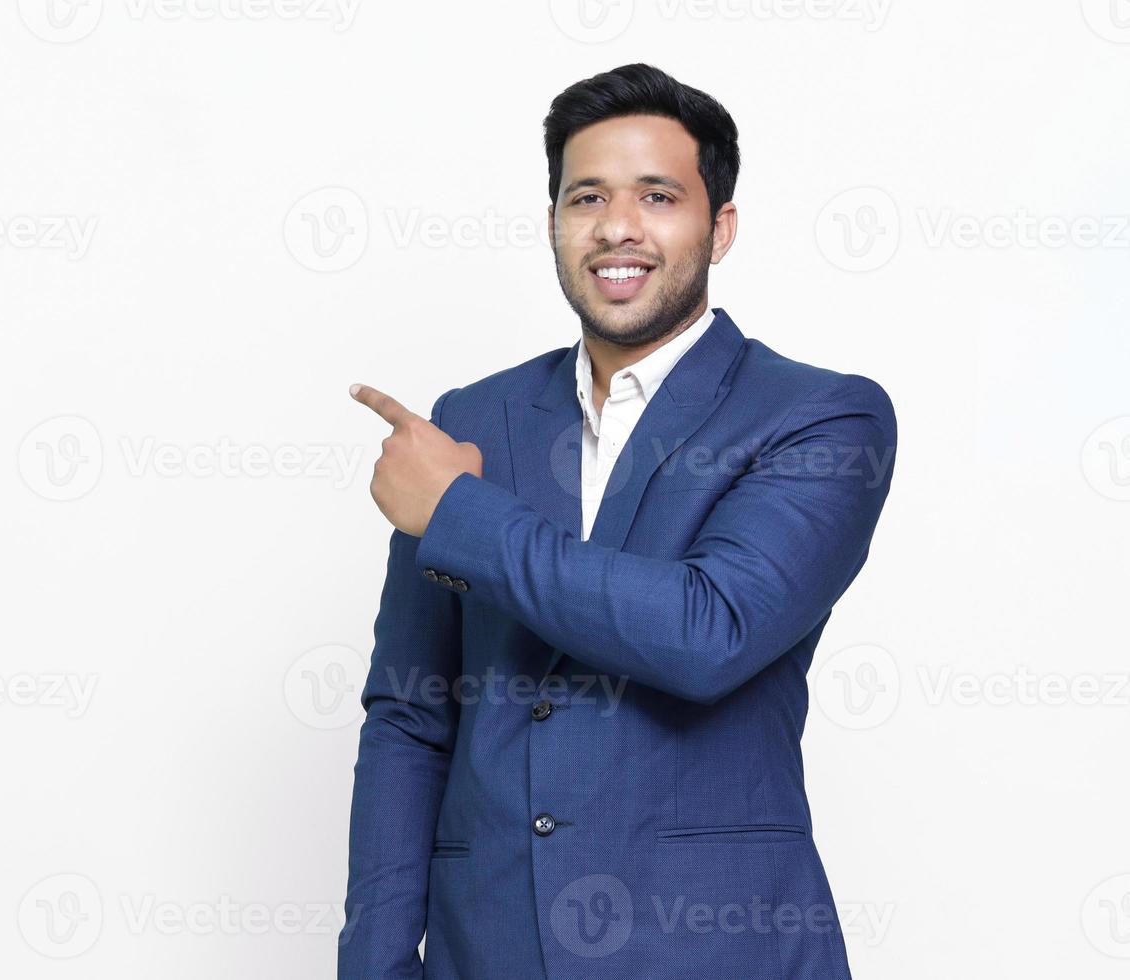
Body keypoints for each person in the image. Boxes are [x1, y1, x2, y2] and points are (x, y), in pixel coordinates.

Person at [341, 62, 896, 979]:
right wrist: (376, 963)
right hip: (492, 950)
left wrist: (459, 512)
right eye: (585, 196)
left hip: (718, 952)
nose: (617, 227)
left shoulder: (820, 417)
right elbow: (410, 712)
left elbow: (705, 631)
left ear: (719, 229)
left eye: (658, 196)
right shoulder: (474, 422)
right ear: (555, 222)